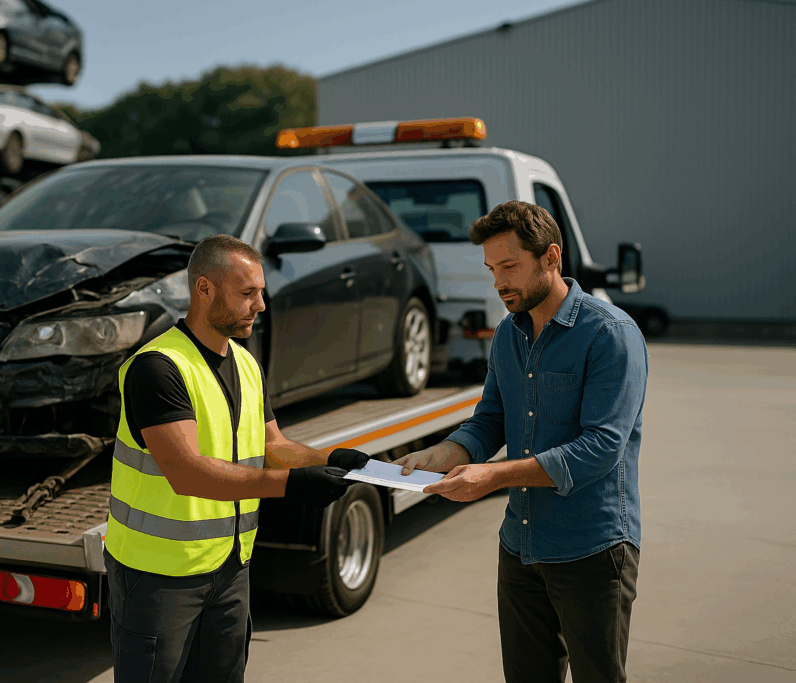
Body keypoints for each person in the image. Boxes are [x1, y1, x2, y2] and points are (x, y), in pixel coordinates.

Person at [396, 201, 648, 683]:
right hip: (520, 545)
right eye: (492, 269)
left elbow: (601, 447)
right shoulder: (509, 335)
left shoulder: (611, 334)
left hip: (592, 550)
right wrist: (443, 454)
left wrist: (492, 477)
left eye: (509, 266)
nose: (498, 282)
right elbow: (490, 419)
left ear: (551, 257)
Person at [103, 233, 370, 683]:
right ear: (203, 289)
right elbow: (186, 473)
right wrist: (292, 486)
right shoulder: (158, 367)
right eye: (247, 293)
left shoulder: (246, 363)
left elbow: (273, 446)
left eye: (261, 292)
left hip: (230, 568)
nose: (260, 305)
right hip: (159, 577)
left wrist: (329, 459)